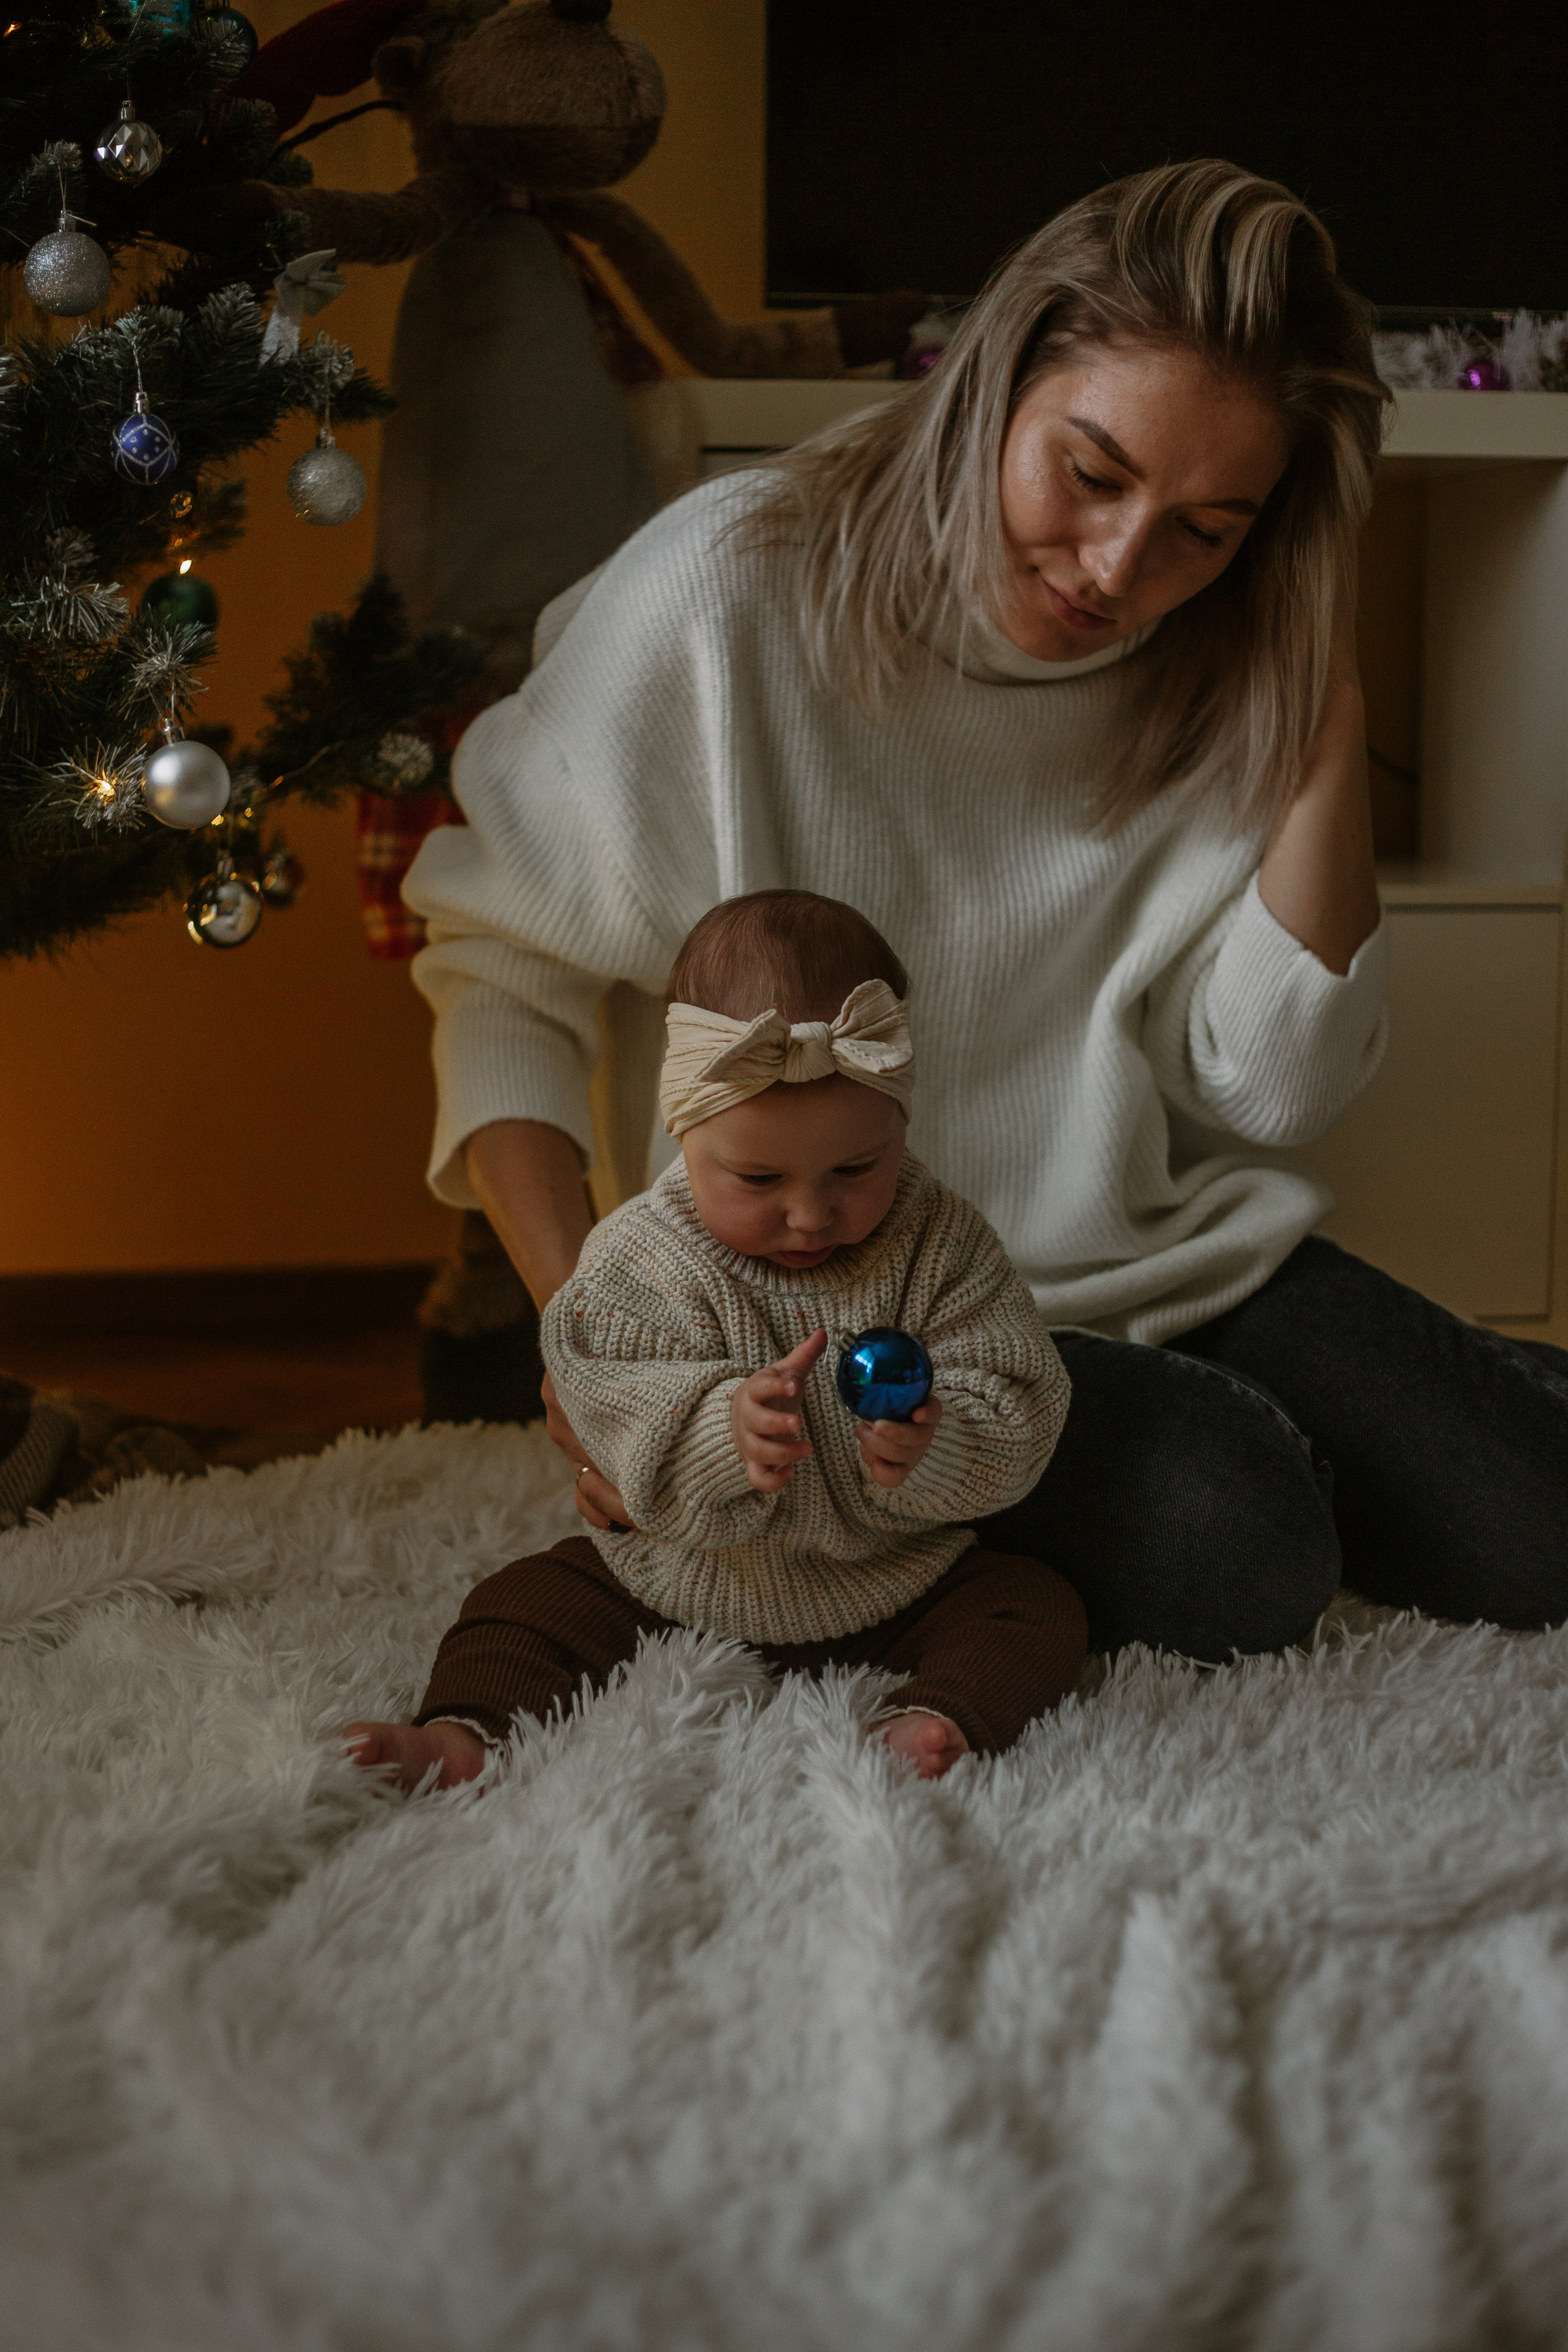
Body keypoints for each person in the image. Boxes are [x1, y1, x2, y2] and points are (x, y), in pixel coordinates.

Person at [401, 156, 1568, 1663]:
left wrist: (1316, 697)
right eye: (1090, 474)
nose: (1115, 568)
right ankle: (1266, 1455)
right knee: (1242, 1546)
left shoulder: (1214, 658)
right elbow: (503, 970)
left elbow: (1270, 1083)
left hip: (1156, 1263)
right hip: (842, 1313)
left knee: (1536, 1526)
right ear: (994, 378)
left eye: (1206, 528)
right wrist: (588, 1342)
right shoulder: (725, 596)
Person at [349, 892, 1084, 1787]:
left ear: (900, 1125)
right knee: (516, 1607)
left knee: (1035, 1608)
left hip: (893, 1578)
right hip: (674, 1580)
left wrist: (936, 1441)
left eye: (858, 1169)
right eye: (760, 1176)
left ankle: (935, 1720)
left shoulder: (942, 1243)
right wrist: (716, 1433)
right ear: (686, 1134)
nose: (813, 1214)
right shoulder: (638, 1258)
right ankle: (465, 1733)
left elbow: (1022, 1392)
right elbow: (604, 1396)